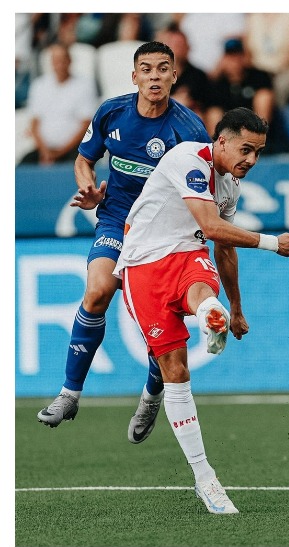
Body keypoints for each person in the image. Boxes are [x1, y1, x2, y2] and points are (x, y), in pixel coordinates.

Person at [114, 107, 289, 513]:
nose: (251, 159)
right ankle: (182, 441)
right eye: (246, 149)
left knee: (200, 284)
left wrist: (236, 308)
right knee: (175, 372)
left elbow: (223, 246)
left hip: (187, 255)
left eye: (258, 152)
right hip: (143, 264)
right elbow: (213, 226)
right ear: (222, 141)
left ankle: (207, 481)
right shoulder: (188, 160)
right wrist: (272, 243)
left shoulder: (230, 186)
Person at [37, 42, 212, 446]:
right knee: (97, 290)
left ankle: (151, 396)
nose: (154, 76)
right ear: (134, 77)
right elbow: (84, 159)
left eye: (163, 68)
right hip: (117, 219)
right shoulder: (111, 112)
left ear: (174, 76)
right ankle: (69, 394)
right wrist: (87, 188)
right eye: (146, 69)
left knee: (161, 322)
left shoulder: (189, 131)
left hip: (163, 234)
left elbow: (200, 193)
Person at [20, 43, 97, 166]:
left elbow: (86, 124)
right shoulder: (39, 85)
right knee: (23, 166)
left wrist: (59, 152)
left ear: (70, 60)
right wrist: (45, 152)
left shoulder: (84, 85)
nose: (59, 64)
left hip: (73, 149)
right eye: (56, 60)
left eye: (62, 59)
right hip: (44, 149)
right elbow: (34, 123)